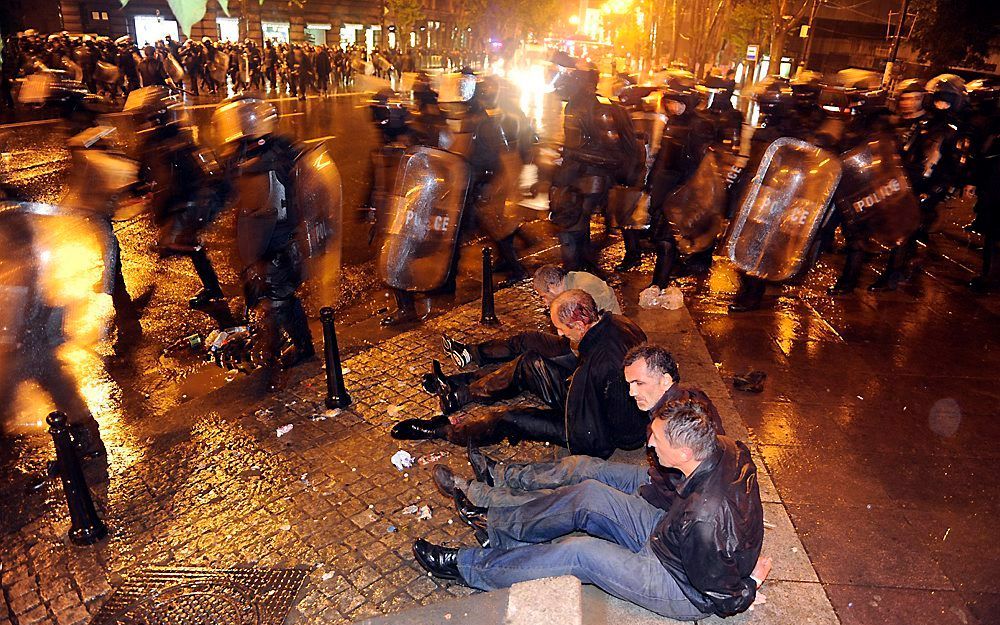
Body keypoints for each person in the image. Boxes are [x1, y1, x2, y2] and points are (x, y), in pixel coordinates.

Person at [411, 397, 771, 620]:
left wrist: (750, 583)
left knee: (581, 554)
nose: (650, 443)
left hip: (677, 585)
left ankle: (468, 566)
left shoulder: (704, 518)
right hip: (673, 535)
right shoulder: (725, 447)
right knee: (590, 494)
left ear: (685, 452)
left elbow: (721, 597)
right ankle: (500, 528)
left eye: (657, 440)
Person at [432, 343, 724, 510]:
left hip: (663, 505)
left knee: (578, 496)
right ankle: (498, 474)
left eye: (639, 383)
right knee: (582, 466)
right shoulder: (677, 399)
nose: (632, 393)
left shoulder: (676, 421)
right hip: (657, 483)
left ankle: (480, 497)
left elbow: (684, 490)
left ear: (666, 380)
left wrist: (630, 498)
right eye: (629, 384)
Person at [392, 290, 646, 458]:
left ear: (579, 325)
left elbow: (622, 431)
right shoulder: (620, 324)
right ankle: (460, 392)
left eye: (560, 329)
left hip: (590, 427)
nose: (559, 334)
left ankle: (444, 431)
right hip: (587, 398)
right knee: (529, 363)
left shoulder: (603, 364)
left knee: (512, 418)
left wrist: (578, 410)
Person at [213, 97, 316, 391]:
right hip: (273, 239)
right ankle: (274, 345)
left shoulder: (268, 160)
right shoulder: (269, 151)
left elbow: (271, 207)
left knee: (281, 298)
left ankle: (301, 347)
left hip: (279, 240)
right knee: (273, 298)